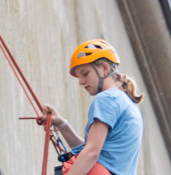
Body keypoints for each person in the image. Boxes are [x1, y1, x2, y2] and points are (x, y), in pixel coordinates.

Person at [37, 39, 145, 175]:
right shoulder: (127, 104)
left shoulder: (106, 98)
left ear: (105, 68)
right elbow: (92, 150)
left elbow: (91, 153)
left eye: (85, 73)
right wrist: (61, 123)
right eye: (79, 77)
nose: (81, 82)